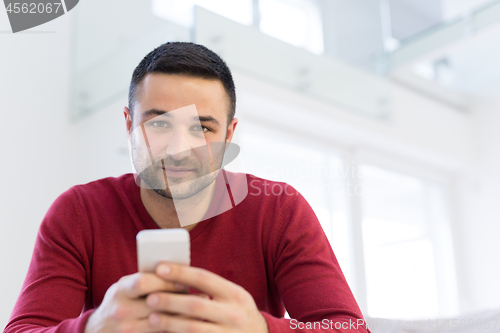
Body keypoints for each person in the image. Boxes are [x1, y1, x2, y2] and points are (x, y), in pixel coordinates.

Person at [4, 42, 370, 333]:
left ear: (228, 136)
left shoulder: (279, 209)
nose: (179, 150)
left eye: (202, 128)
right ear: (129, 124)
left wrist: (261, 329)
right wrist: (93, 327)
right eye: (159, 124)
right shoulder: (79, 212)